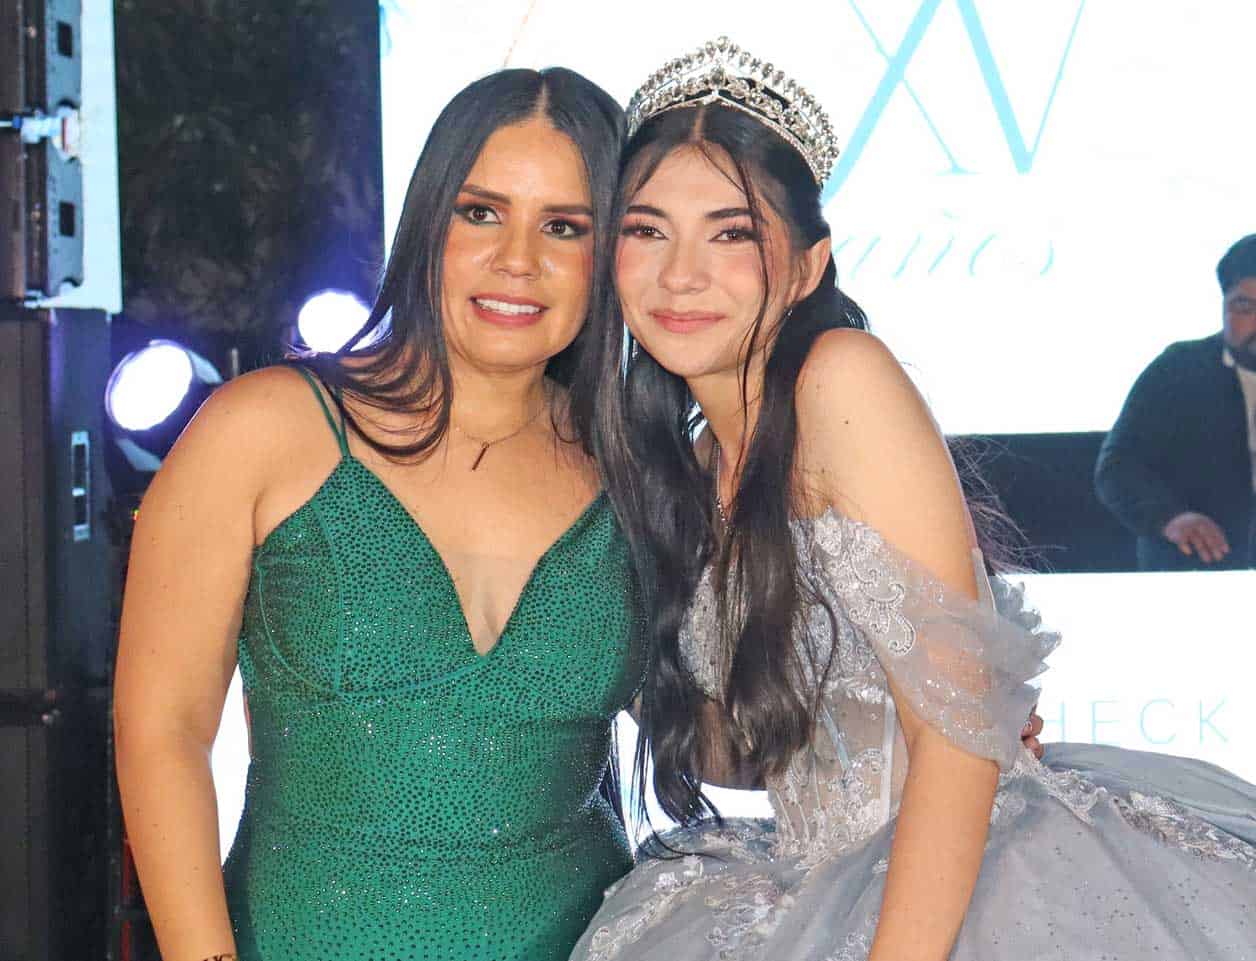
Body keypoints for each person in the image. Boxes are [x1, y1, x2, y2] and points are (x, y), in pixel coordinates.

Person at [571, 37, 1256, 961]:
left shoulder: (840, 378)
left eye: (731, 233)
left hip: (963, 877)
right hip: (808, 877)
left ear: (807, 265)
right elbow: (755, 753)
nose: (680, 273)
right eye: (647, 231)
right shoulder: (689, 465)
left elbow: (960, 737)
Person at [113, 67, 647, 961]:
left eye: (565, 226)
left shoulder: (638, 471)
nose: (518, 259)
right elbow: (160, 728)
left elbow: (731, 741)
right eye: (482, 212)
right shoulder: (265, 428)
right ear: (429, 220)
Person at [1094, 234, 1256, 570]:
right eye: (1245, 307)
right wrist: (1170, 517)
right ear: (1224, 305)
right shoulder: (1178, 369)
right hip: (1198, 569)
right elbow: (1118, 468)